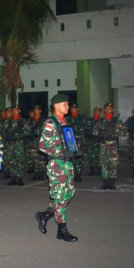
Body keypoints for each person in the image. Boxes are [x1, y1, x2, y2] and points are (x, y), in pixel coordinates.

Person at [35, 94, 78, 243]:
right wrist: (59, 151)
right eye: (65, 104)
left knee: (69, 194)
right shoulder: (50, 123)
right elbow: (42, 145)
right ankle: (62, 230)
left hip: (67, 164)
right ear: (57, 106)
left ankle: (45, 215)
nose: (68, 107)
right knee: (60, 198)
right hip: (57, 165)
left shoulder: (64, 122)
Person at [93, 102, 126, 190]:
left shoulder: (117, 121)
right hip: (103, 146)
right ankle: (105, 183)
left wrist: (114, 133)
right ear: (104, 110)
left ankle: (112, 183)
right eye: (106, 108)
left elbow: (124, 131)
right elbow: (94, 131)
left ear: (113, 110)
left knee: (113, 165)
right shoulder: (101, 121)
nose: (108, 110)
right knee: (104, 165)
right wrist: (101, 133)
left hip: (113, 146)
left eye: (110, 108)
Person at [66, 103, 86, 182]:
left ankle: (78, 174)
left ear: (78, 109)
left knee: (78, 157)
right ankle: (73, 174)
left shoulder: (81, 119)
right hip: (70, 140)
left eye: (75, 108)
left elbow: (84, 129)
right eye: (72, 109)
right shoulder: (68, 118)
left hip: (78, 140)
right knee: (71, 157)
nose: (73, 110)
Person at [26, 105, 46, 181]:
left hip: (40, 141)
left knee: (41, 158)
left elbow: (46, 131)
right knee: (34, 158)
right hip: (32, 142)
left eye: (37, 110)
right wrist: (30, 134)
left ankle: (41, 173)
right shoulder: (30, 120)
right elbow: (26, 130)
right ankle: (36, 173)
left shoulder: (44, 121)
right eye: (34, 110)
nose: (35, 111)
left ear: (40, 111)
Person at [86, 107, 102, 176]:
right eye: (95, 111)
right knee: (91, 156)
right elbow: (86, 129)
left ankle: (99, 170)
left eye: (98, 111)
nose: (96, 112)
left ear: (100, 113)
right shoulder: (89, 121)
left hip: (99, 141)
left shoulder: (102, 121)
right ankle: (92, 170)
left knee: (99, 156)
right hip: (91, 141)